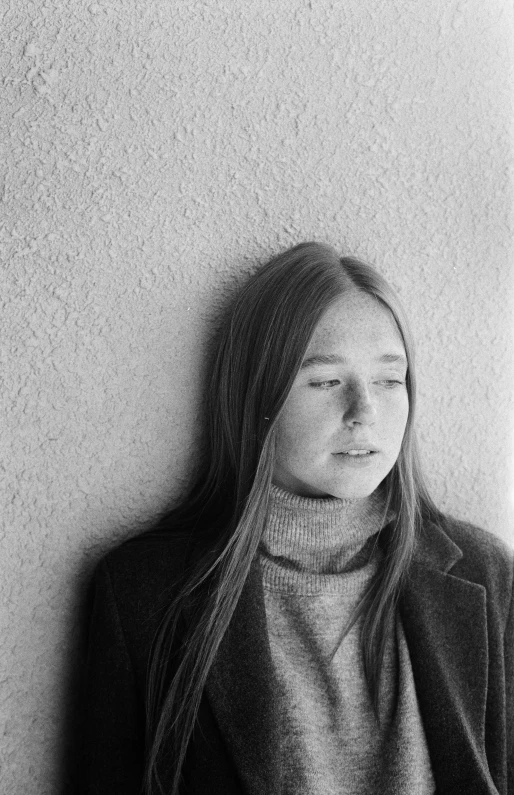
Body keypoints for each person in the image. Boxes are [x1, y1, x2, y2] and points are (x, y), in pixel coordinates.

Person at [80, 242, 514, 795]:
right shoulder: (144, 593)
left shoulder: (484, 572)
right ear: (257, 393)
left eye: (388, 380)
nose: (365, 412)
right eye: (326, 381)